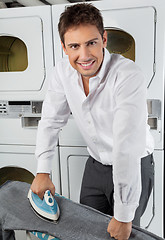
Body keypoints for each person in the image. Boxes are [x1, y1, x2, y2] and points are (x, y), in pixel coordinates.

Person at [31, 3, 154, 240]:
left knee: (124, 235)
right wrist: (42, 170)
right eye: (75, 46)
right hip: (96, 165)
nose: (84, 55)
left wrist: (124, 214)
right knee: (87, 230)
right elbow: (50, 120)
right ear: (64, 47)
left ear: (104, 39)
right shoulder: (61, 72)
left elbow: (125, 146)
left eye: (91, 43)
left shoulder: (128, 76)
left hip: (134, 164)